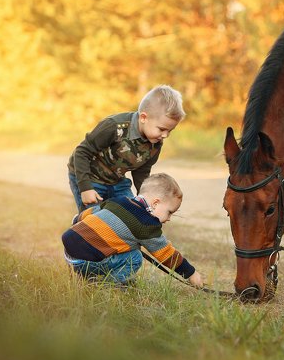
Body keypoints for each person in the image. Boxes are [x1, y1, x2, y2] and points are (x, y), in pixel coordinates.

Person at [62, 173, 203, 287]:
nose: (169, 218)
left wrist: (76, 220)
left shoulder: (119, 200)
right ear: (155, 203)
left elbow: (91, 212)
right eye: (169, 212)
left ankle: (85, 275)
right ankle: (108, 285)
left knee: (122, 246)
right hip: (86, 262)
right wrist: (191, 274)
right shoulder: (147, 225)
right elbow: (165, 253)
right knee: (134, 257)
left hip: (69, 253)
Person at [68, 84, 185, 213]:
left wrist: (146, 201)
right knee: (95, 220)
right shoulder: (114, 126)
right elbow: (82, 152)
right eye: (162, 129)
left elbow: (142, 172)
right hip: (89, 177)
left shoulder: (156, 142)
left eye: (170, 131)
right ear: (144, 118)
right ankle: (79, 226)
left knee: (134, 214)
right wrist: (85, 188)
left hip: (117, 181)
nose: (165, 135)